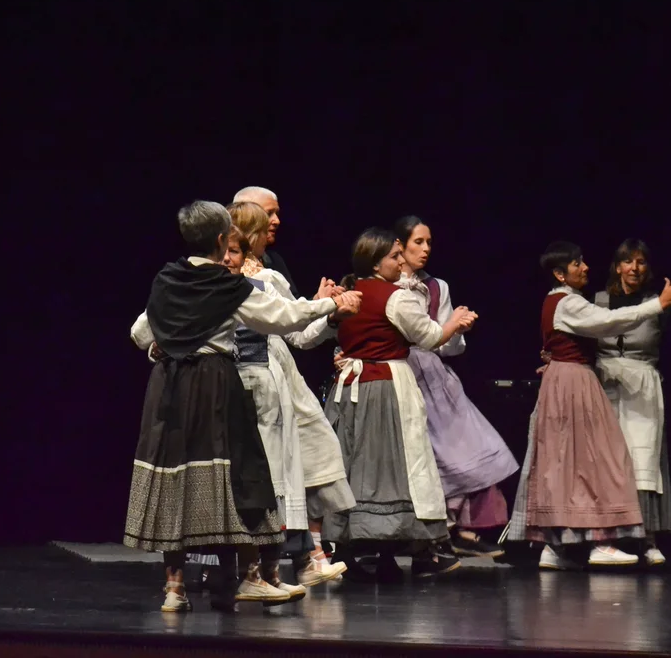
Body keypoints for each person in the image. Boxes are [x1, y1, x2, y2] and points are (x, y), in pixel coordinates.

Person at [125, 201, 360, 612]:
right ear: (221, 240)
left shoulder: (168, 279)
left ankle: (175, 589)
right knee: (237, 479)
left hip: (169, 388)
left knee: (175, 478)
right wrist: (330, 305)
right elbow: (282, 317)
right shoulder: (226, 286)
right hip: (212, 386)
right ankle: (251, 576)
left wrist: (169, 345)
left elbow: (140, 333)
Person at [504, 241, 671, 570]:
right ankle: (600, 542)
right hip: (575, 383)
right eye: (577, 263)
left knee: (564, 465)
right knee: (600, 461)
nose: (585, 267)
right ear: (560, 273)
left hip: (565, 379)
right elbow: (611, 321)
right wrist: (660, 303)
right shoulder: (569, 302)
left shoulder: (557, 300)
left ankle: (554, 547)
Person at [323, 228, 477, 578]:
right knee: (393, 466)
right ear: (376, 263)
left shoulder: (349, 294)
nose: (402, 262)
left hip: (350, 387)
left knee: (356, 464)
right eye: (395, 257)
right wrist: (454, 323)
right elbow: (430, 337)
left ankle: (353, 549)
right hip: (386, 386)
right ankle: (394, 551)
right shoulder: (396, 297)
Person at [224, 204, 354, 587]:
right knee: (256, 471)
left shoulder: (269, 277)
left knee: (295, 467)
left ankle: (296, 559)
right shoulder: (224, 280)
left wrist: (327, 313)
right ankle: (265, 565)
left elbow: (296, 331)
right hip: (240, 374)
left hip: (276, 372)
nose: (275, 225)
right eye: (267, 220)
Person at [392, 216, 519, 558]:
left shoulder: (437, 287)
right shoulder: (388, 285)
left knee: (467, 446)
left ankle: (460, 527)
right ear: (399, 245)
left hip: (434, 374)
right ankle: (423, 532)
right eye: (418, 242)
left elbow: (448, 346)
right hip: (400, 370)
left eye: (429, 242)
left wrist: (457, 330)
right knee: (420, 454)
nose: (426, 249)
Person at [593, 239, 671, 565]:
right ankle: (606, 538)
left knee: (644, 462)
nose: (634, 268)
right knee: (607, 462)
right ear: (617, 266)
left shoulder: (657, 302)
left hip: (642, 385)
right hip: (606, 384)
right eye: (628, 261)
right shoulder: (599, 301)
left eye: (641, 262)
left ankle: (647, 539)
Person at [233, 186, 299, 298]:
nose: (277, 221)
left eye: (277, 213)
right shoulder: (224, 263)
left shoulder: (275, 260)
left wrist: (317, 300)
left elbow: (293, 303)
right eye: (268, 214)